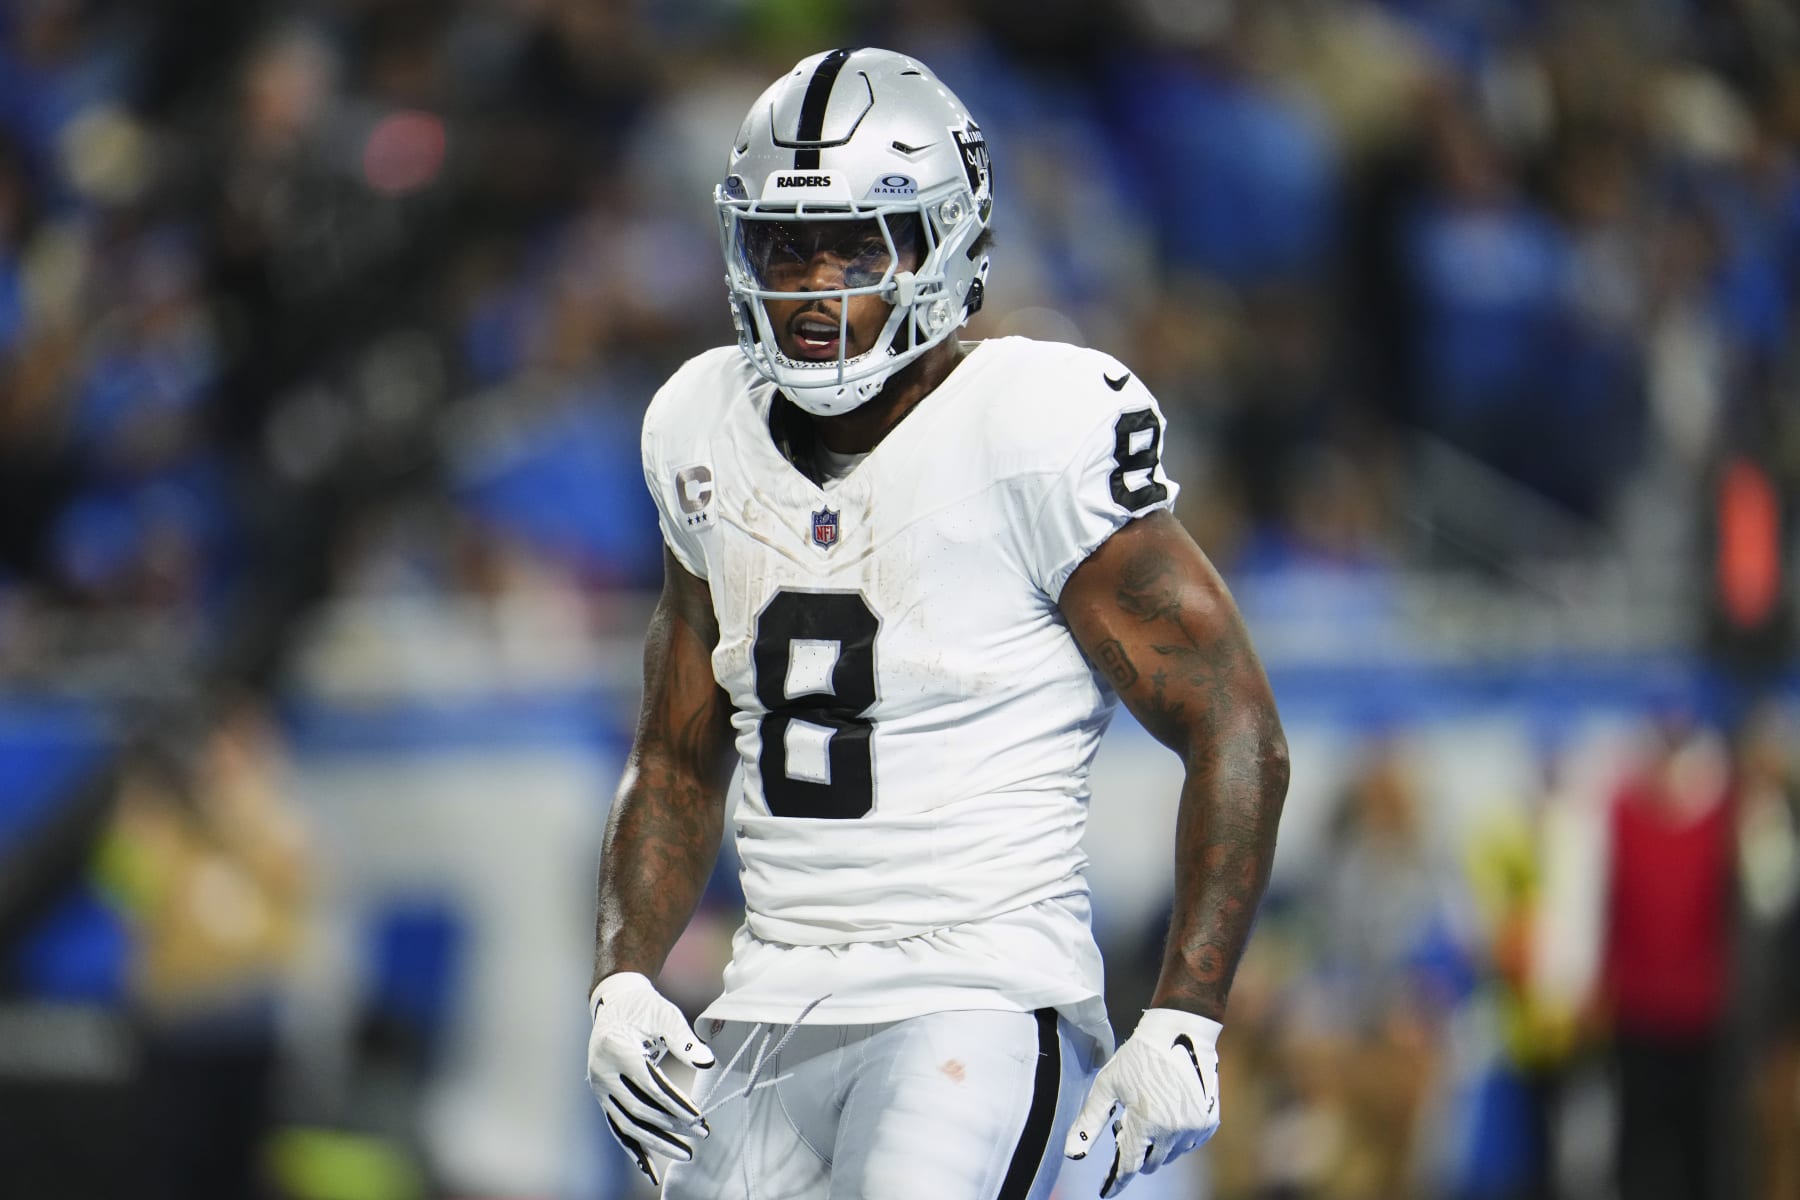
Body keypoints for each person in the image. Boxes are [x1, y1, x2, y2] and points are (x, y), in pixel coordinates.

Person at [584, 47, 1289, 1199]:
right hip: (767, 1004)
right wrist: (623, 975)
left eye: (855, 244)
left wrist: (1186, 1014)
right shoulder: (697, 426)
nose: (813, 284)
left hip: (980, 998)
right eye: (783, 243)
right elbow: (675, 749)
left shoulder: (1032, 424)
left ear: (941, 241)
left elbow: (1233, 724)